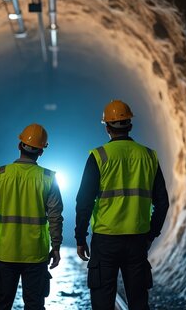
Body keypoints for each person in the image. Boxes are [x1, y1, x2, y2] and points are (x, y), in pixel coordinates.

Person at [75, 100, 169, 310]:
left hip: (106, 240)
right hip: (137, 239)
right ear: (130, 125)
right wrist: (150, 234)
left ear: (107, 127)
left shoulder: (98, 157)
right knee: (138, 301)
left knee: (102, 301)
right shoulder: (148, 156)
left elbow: (84, 202)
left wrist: (80, 237)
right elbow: (162, 203)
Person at [0, 123, 64, 310]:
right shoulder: (48, 177)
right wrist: (56, 246)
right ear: (41, 152)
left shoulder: (0, 174)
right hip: (36, 254)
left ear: (19, 145)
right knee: (34, 305)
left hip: (7, 252)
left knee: (1, 304)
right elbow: (55, 216)